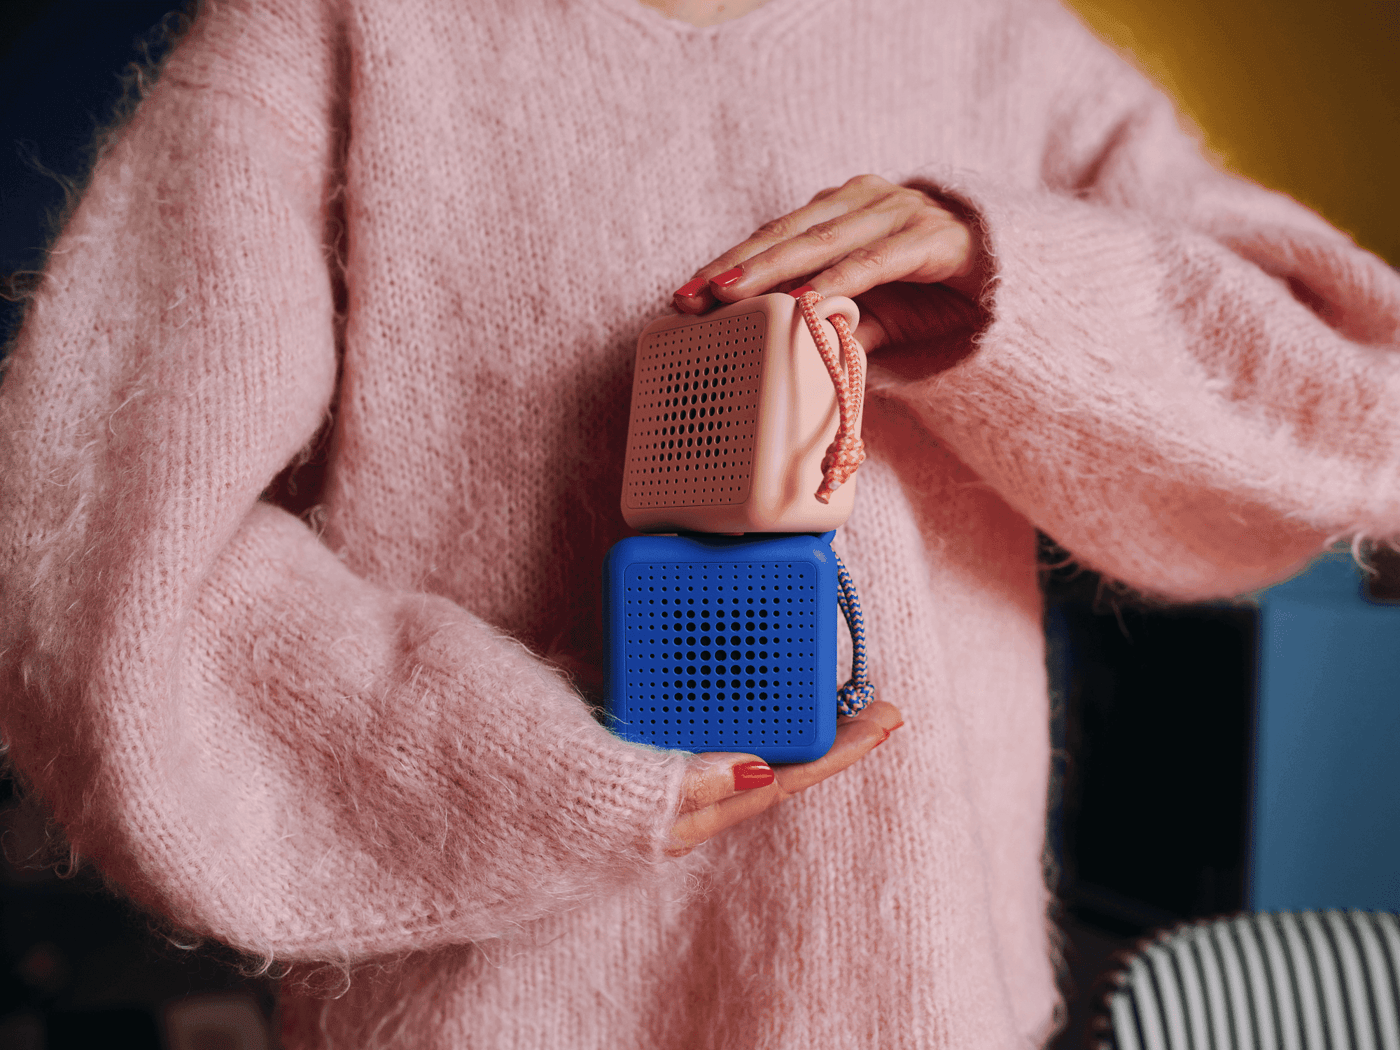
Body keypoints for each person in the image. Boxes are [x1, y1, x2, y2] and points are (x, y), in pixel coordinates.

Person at [1, 0, 1397, 1046]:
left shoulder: (990, 38)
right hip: (491, 1007)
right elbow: (88, 562)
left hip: (913, 995)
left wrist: (1009, 279)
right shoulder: (343, 32)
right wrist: (511, 763)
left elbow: (1350, 403)